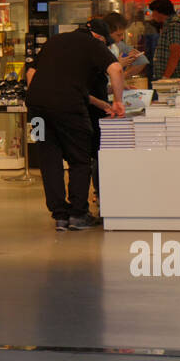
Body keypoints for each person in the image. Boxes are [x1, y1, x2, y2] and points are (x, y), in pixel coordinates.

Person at [24, 17, 122, 231]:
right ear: (98, 36)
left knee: (49, 160)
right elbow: (116, 70)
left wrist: (44, 97)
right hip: (68, 109)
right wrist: (118, 101)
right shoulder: (94, 44)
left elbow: (31, 71)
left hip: (36, 110)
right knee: (80, 158)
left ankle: (59, 215)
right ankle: (78, 214)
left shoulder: (55, 41)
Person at [86, 15, 131, 209]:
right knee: (94, 154)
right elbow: (112, 73)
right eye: (117, 34)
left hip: (97, 106)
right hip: (93, 109)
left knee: (96, 154)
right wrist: (114, 102)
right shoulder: (97, 52)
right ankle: (98, 194)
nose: (119, 39)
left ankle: (100, 194)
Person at [149, 0, 180, 81]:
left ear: (160, 11)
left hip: (174, 79)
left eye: (153, 11)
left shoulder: (173, 26)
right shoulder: (169, 26)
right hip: (172, 78)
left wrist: (165, 77)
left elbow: (175, 53)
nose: (152, 15)